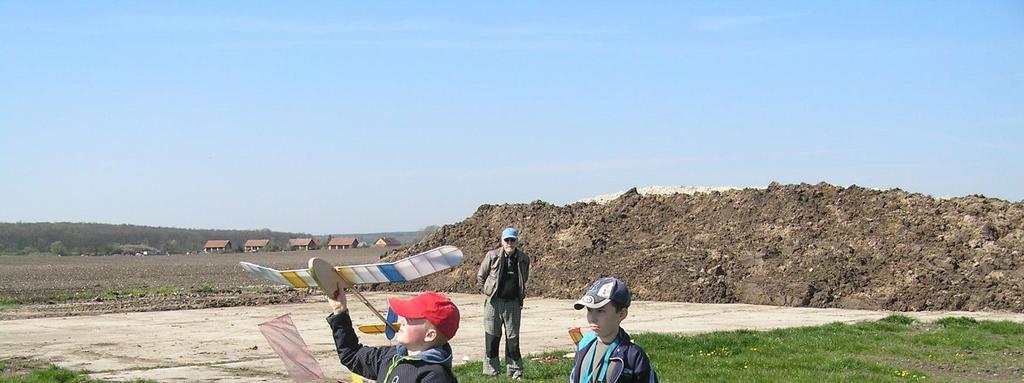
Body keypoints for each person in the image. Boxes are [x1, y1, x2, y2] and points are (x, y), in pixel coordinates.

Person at [326, 287, 460, 383]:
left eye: (410, 318)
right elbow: (352, 355)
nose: (401, 320)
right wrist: (339, 312)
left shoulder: (435, 377)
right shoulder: (391, 356)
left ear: (430, 335)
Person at [569, 277, 658, 383]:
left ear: (621, 314)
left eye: (600, 311)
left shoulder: (633, 357)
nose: (592, 318)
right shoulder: (584, 345)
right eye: (589, 310)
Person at [477, 227, 531, 379]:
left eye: (512, 240)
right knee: (492, 337)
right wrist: (488, 292)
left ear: (517, 241)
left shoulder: (523, 258)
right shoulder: (492, 256)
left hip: (513, 303)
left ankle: (515, 370)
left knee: (512, 339)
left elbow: (523, 279)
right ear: (502, 241)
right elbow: (481, 276)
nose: (509, 243)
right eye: (507, 240)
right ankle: (491, 371)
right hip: (493, 303)